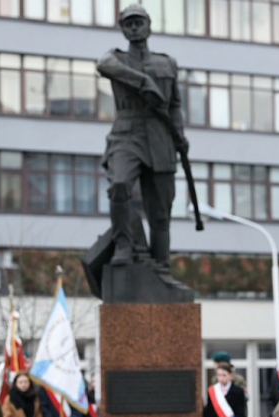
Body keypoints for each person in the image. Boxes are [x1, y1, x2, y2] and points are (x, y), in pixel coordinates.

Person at [96, 3, 188, 269]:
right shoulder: (116, 59)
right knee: (120, 185)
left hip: (160, 136)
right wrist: (143, 82)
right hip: (126, 133)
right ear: (123, 30)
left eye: (139, 23)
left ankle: (161, 261)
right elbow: (103, 64)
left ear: (149, 26)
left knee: (160, 210)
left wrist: (179, 137)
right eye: (129, 24)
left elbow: (174, 105)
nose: (134, 28)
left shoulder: (167, 63)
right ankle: (124, 245)